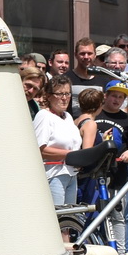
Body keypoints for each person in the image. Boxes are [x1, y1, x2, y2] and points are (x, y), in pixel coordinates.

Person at [85, 82, 128, 247]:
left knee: (118, 215)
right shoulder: (96, 115)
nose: (117, 100)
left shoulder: (127, 119)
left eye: (121, 97)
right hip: (93, 174)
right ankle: (92, 247)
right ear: (106, 96)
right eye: (114, 95)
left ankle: (120, 253)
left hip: (117, 174)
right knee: (92, 213)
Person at [34, 77, 81, 208]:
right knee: (58, 220)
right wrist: (71, 155)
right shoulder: (44, 116)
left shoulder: (68, 116)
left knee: (69, 219)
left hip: (71, 174)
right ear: (48, 96)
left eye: (67, 94)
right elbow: (39, 149)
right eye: (59, 94)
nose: (64, 98)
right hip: (54, 174)